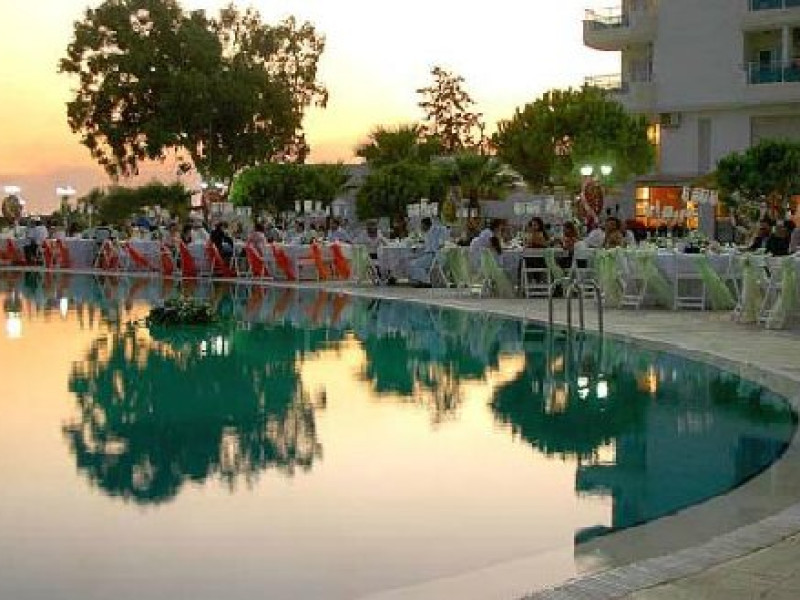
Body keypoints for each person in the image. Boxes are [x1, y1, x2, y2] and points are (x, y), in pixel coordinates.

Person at [408, 217, 446, 287]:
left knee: (412, 264)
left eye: (422, 225)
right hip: (431, 255)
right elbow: (428, 245)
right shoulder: (428, 233)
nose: (421, 227)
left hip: (433, 256)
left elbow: (436, 246)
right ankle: (422, 280)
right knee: (414, 262)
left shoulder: (432, 233)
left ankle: (424, 281)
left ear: (426, 225)